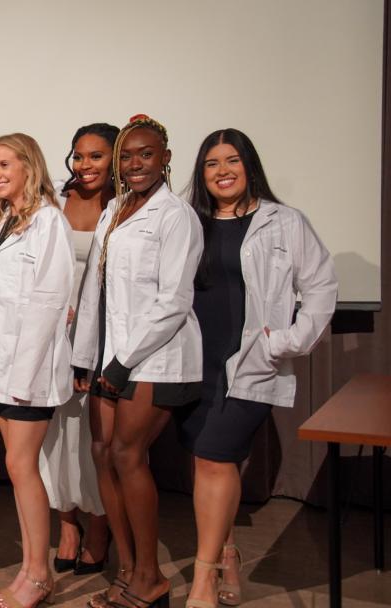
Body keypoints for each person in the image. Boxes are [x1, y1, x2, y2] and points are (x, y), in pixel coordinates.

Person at [179, 129, 336, 608]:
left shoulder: (284, 221)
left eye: (232, 160)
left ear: (250, 166)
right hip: (192, 360)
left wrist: (284, 343)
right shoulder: (190, 223)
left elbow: (321, 288)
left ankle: (204, 578)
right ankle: (227, 553)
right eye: (211, 163)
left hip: (249, 361)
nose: (222, 171)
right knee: (205, 461)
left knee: (214, 458)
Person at [72, 114, 204, 608]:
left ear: (165, 159)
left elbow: (173, 300)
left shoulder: (176, 216)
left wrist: (123, 363)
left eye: (146, 154)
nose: (135, 164)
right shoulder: (114, 212)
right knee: (102, 453)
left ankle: (151, 577)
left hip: (157, 358)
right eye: (126, 156)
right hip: (111, 357)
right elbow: (95, 294)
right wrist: (85, 358)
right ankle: (127, 571)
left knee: (128, 454)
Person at [0, 134, 75, 608]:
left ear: (28, 166)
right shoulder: (3, 221)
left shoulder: (48, 221)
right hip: (0, 367)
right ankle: (31, 567)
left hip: (29, 372)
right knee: (19, 470)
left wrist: (22, 376)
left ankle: (40, 573)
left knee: (21, 466)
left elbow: (48, 302)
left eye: (4, 164)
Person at [43, 124, 118, 575]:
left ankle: (100, 526)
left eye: (96, 156)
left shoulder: (127, 206)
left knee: (94, 440)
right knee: (53, 436)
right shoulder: (52, 198)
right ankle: (66, 524)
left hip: (103, 336)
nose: (85, 166)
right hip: (50, 334)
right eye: (78, 156)